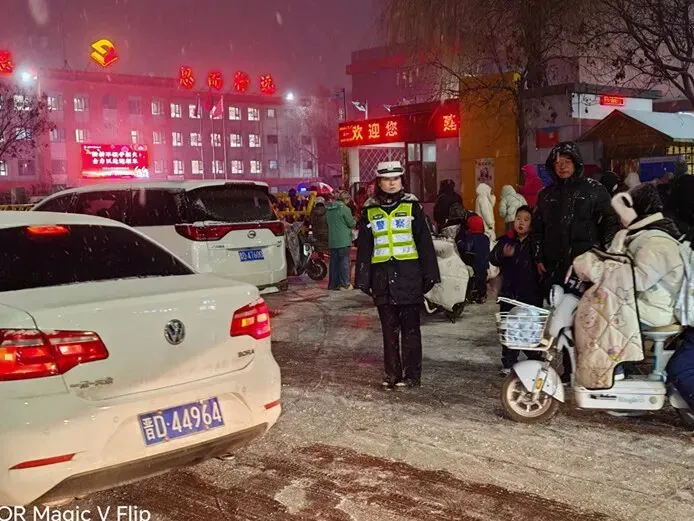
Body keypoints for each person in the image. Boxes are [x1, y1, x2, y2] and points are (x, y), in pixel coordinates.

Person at [355, 161, 440, 390]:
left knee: (411, 330)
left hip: (409, 277)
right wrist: (363, 278)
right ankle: (392, 374)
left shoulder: (413, 206)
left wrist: (430, 274)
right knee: (389, 331)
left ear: (402, 180)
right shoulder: (370, 210)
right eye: (386, 179)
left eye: (395, 178)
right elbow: (365, 247)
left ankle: (412, 375)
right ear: (379, 182)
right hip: (382, 279)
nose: (391, 183)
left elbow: (424, 243)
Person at [532, 142, 621, 290]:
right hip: (554, 265)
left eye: (567, 162)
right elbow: (537, 229)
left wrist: (606, 254)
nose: (562, 166)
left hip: (588, 265)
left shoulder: (594, 190)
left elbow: (610, 223)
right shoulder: (546, 195)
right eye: (558, 163)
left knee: (587, 303)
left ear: (576, 163)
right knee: (557, 302)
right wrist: (538, 257)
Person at [610, 183, 684, 329]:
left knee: (598, 315)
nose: (620, 218)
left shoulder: (657, 242)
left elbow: (639, 281)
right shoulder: (643, 233)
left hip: (654, 310)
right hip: (642, 303)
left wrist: (599, 270)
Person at [490, 205, 544, 375]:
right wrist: (502, 254)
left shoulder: (535, 243)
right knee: (508, 328)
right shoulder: (507, 240)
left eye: (526, 220)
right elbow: (493, 258)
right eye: (518, 218)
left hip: (529, 294)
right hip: (509, 293)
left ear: (532, 224)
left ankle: (534, 357)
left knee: (529, 328)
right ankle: (508, 362)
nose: (521, 223)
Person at [456, 214, 490, 303]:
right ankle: (481, 295)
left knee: (472, 279)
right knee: (482, 279)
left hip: (473, 263)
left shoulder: (470, 237)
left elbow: (466, 249)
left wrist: (459, 242)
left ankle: (472, 295)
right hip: (484, 264)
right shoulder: (486, 238)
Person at [327, 190, 356, 291]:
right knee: (344, 262)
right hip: (343, 240)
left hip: (332, 240)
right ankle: (345, 284)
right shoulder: (345, 209)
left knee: (334, 263)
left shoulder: (329, 209)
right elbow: (351, 223)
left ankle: (333, 284)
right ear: (346, 199)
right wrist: (355, 220)